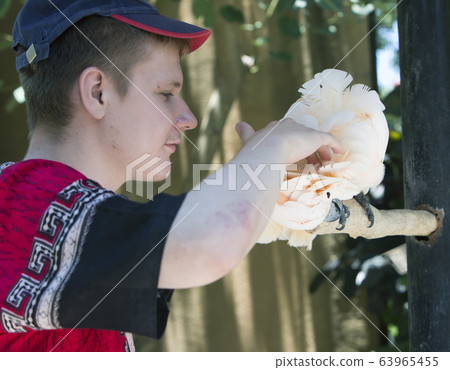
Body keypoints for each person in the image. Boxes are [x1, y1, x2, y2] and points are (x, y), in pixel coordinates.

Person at [0, 0, 341, 352]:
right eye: (165, 94)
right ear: (97, 92)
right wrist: (274, 148)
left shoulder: (57, 216)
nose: (188, 118)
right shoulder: (16, 206)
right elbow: (206, 245)